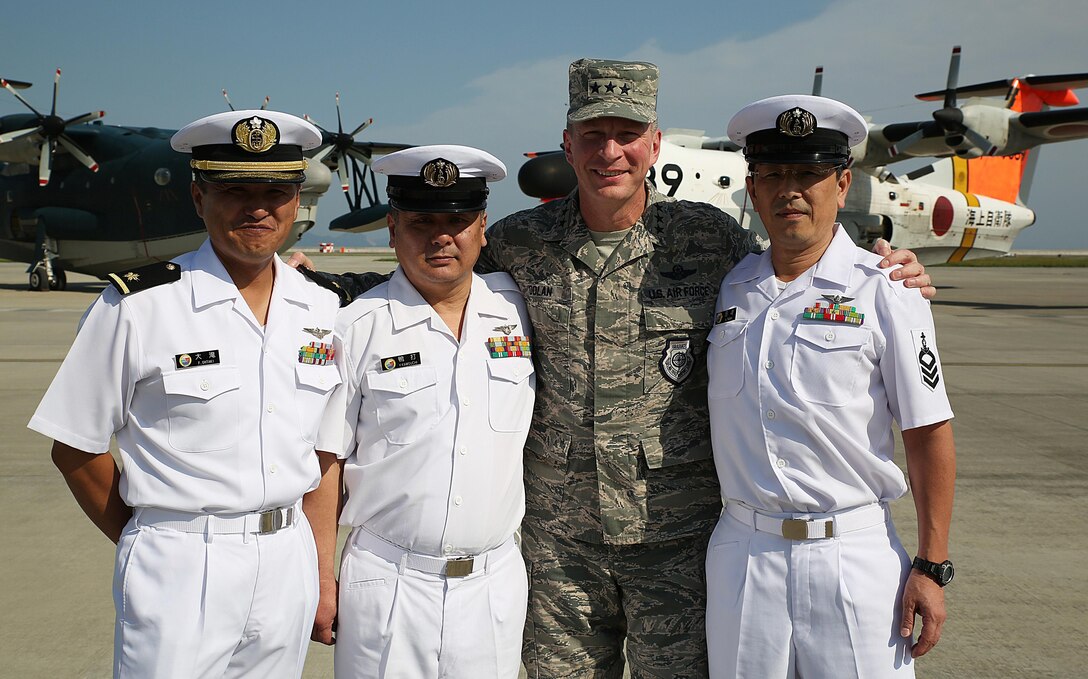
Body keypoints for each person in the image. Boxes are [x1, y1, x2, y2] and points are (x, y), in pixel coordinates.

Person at [292, 58, 934, 677]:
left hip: (678, 543)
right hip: (557, 549)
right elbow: (433, 272)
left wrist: (886, 265)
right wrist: (306, 281)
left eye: (627, 135)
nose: (611, 153)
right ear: (567, 145)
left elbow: (799, 266)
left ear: (654, 144)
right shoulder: (519, 243)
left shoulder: (709, 241)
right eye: (594, 136)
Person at [28, 110, 342, 678]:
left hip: (286, 560)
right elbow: (74, 448)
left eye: (275, 190)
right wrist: (149, 539)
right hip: (180, 564)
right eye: (234, 190)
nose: (257, 207)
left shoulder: (321, 308)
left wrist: (320, 571)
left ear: (297, 202)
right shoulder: (139, 305)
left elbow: (323, 454)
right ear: (198, 198)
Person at [704, 95, 956, 678]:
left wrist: (932, 564)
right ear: (753, 186)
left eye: (810, 174)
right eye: (773, 174)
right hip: (744, 552)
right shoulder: (731, 287)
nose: (791, 190)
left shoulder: (887, 288)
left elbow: (929, 431)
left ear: (842, 185)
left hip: (852, 554)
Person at [305, 145, 534, 678]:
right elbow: (324, 462)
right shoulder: (357, 325)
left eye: (457, 220)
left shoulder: (519, 313)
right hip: (389, 585)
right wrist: (320, 578)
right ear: (392, 228)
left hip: (494, 584)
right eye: (421, 221)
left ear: (482, 228)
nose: (440, 236)